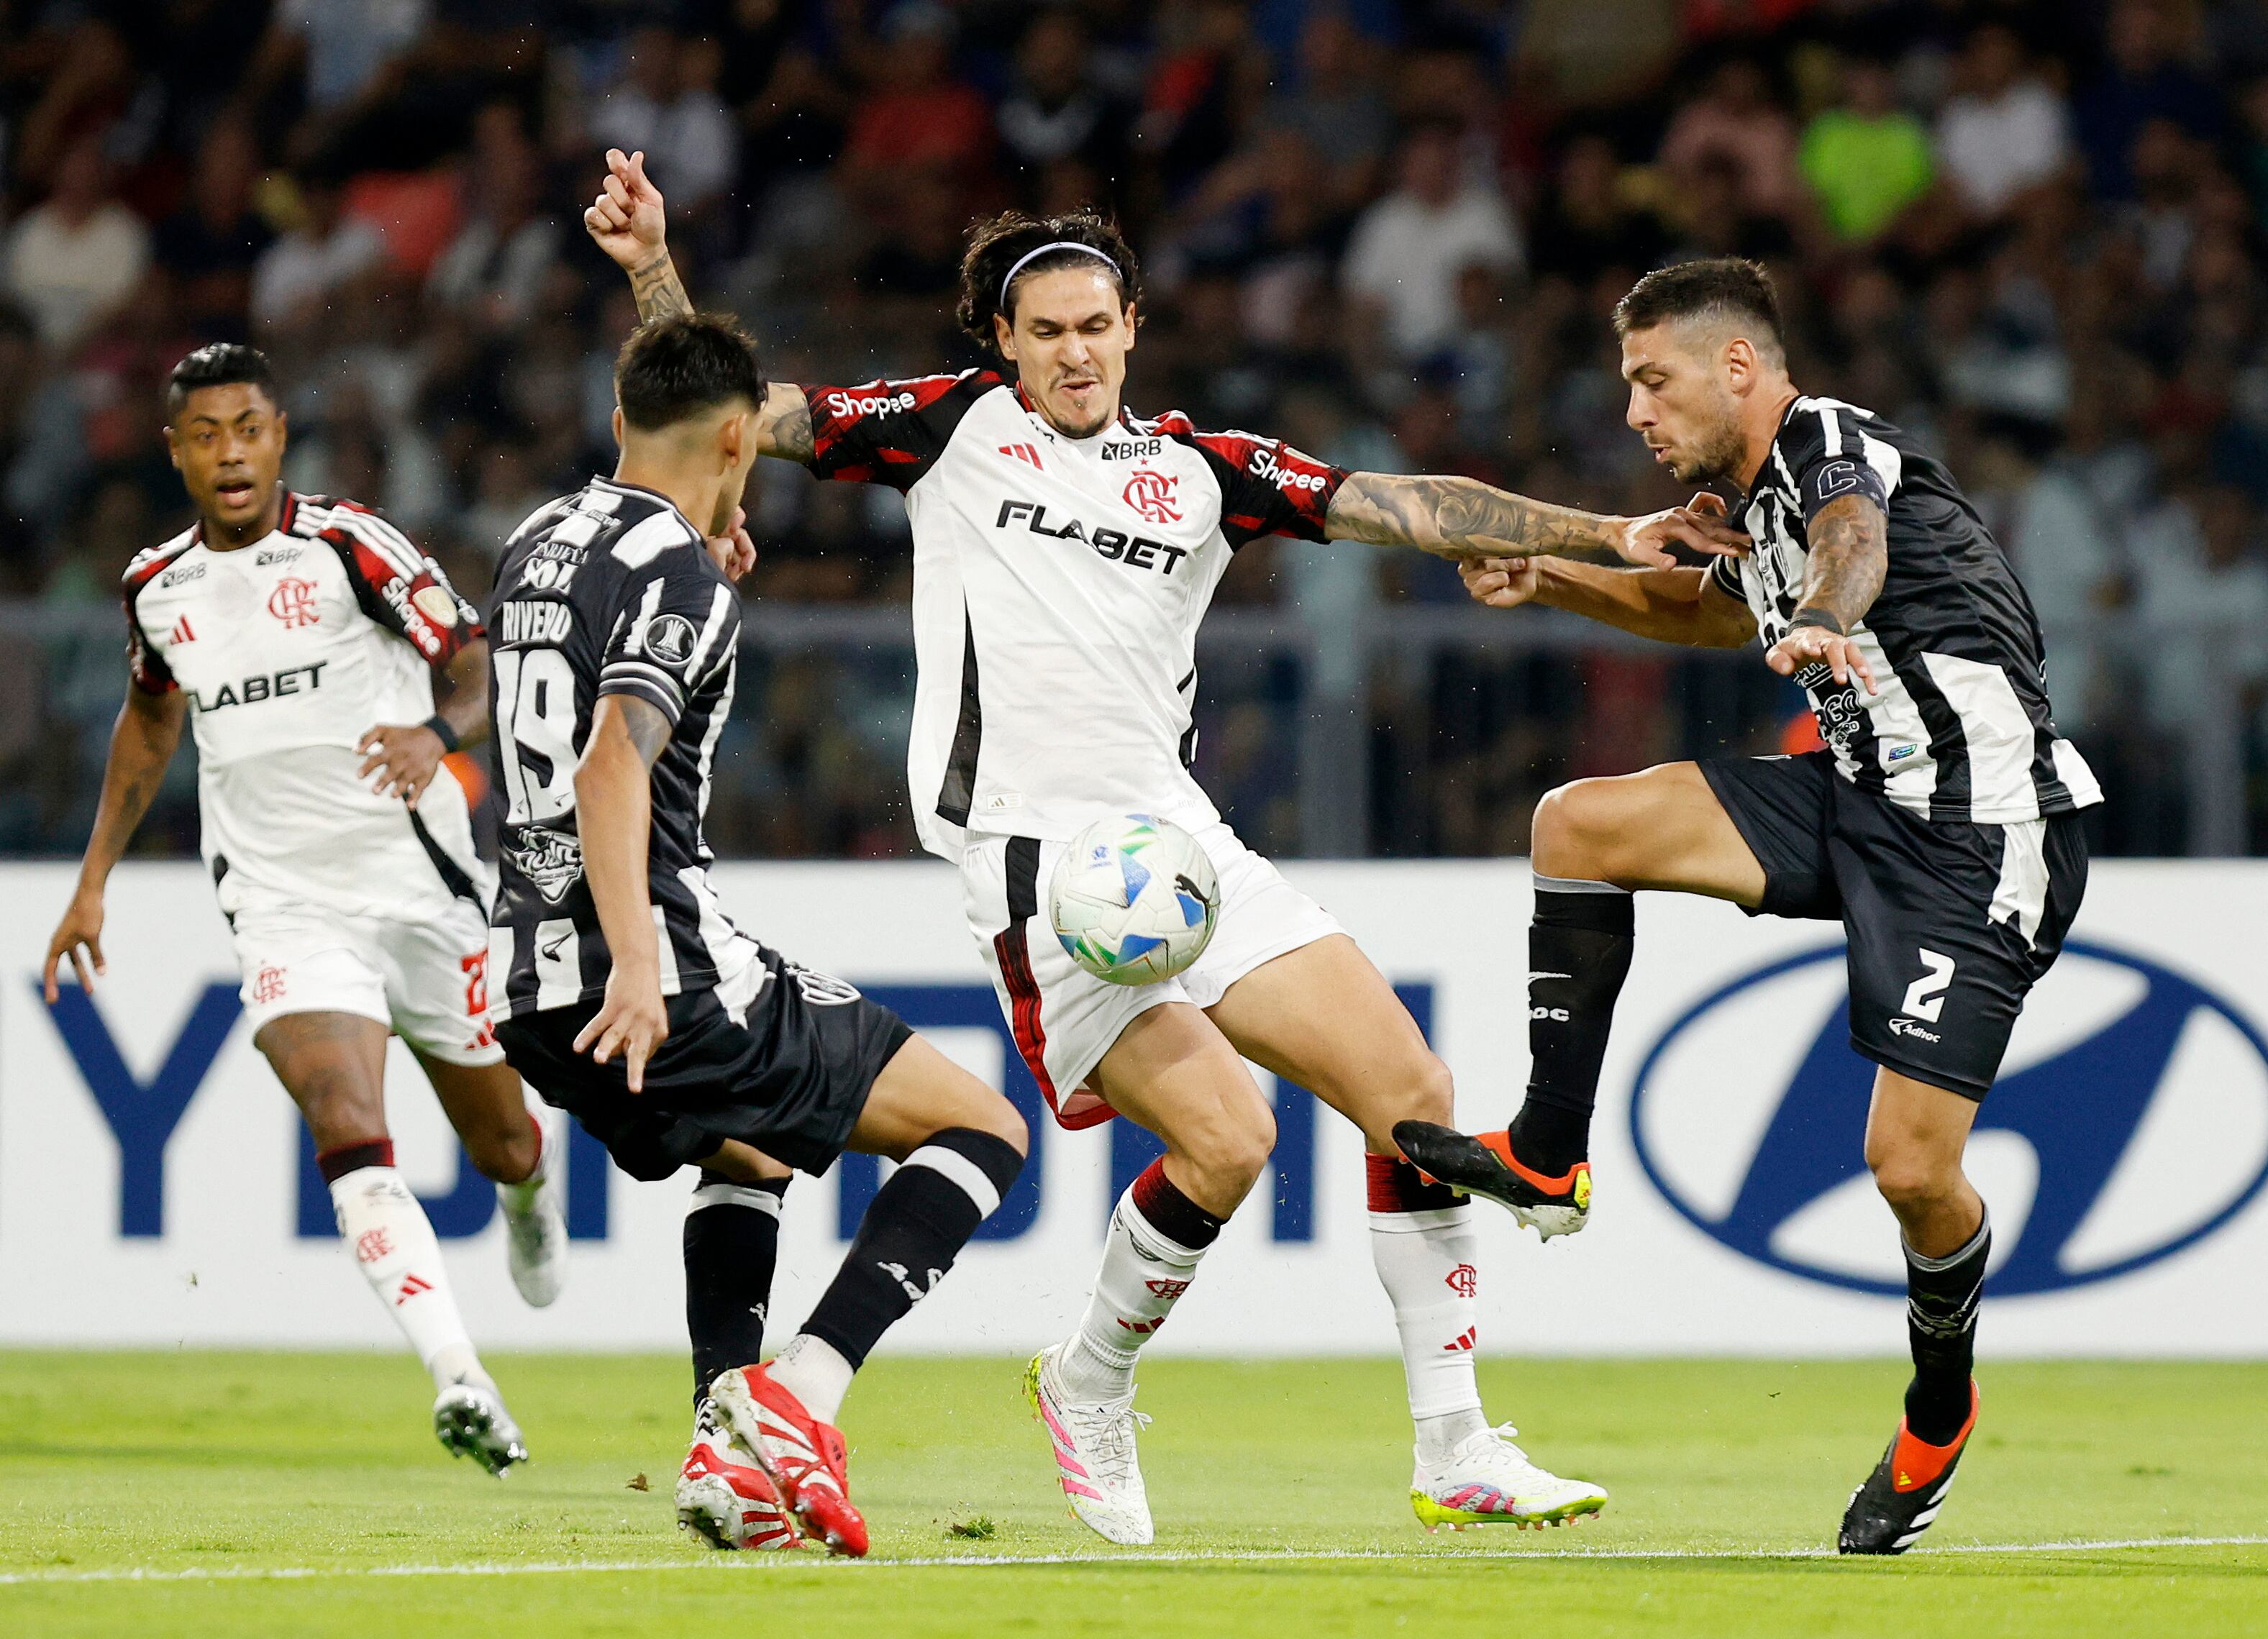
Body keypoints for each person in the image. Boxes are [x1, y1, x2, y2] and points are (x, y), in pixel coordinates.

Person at [583, 147, 1744, 1544]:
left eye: (1095, 325)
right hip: (1038, 863)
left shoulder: (1199, 469)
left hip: (1179, 847)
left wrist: (1612, 532)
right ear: (1003, 342)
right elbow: (725, 419)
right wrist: (654, 268)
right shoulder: (944, 428)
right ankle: (1088, 1380)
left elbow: (1401, 503)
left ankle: (1451, 1447)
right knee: (1228, 1140)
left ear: (1132, 327)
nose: (1074, 352)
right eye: (1046, 332)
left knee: (1411, 1087)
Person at [1399, 258, 2100, 1554]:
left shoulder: (1830, 443)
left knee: (1909, 1171)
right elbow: (1705, 614)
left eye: (1651, 381)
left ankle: (1937, 1406)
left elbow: (1854, 540)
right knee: (1577, 824)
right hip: (1853, 793)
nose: (1634, 413)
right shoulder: (1747, 502)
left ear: (1736, 367)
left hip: (1981, 829)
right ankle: (1547, 1153)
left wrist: (1825, 615)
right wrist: (1548, 576)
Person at [482, 302, 1028, 1559]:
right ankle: (797, 1397)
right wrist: (637, 962)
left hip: (527, 983)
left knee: (751, 1155)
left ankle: (718, 1456)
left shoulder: (537, 535)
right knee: (982, 1128)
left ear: (620, 420)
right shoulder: (676, 571)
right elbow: (609, 764)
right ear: (740, 439)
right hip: (654, 970)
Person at [42, 342, 566, 1477]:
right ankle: (459, 1375)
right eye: (205, 435)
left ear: (280, 436)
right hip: (281, 903)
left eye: (248, 429)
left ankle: (530, 1196)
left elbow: (476, 660)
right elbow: (151, 722)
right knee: (341, 1114)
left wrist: (437, 733)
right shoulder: (156, 586)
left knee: (501, 1141)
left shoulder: (350, 546)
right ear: (175, 451)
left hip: (418, 889)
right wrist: (92, 882)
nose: (229, 453)